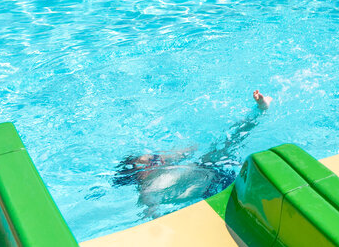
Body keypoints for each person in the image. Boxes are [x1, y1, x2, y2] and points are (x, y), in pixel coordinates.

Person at [113, 91, 272, 218]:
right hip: (213, 190)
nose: (156, 161)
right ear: (138, 175)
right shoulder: (147, 192)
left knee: (227, 140)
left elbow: (190, 149)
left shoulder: (161, 164)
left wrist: (181, 152)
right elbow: (151, 214)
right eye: (151, 162)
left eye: (154, 158)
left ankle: (259, 110)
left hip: (208, 167)